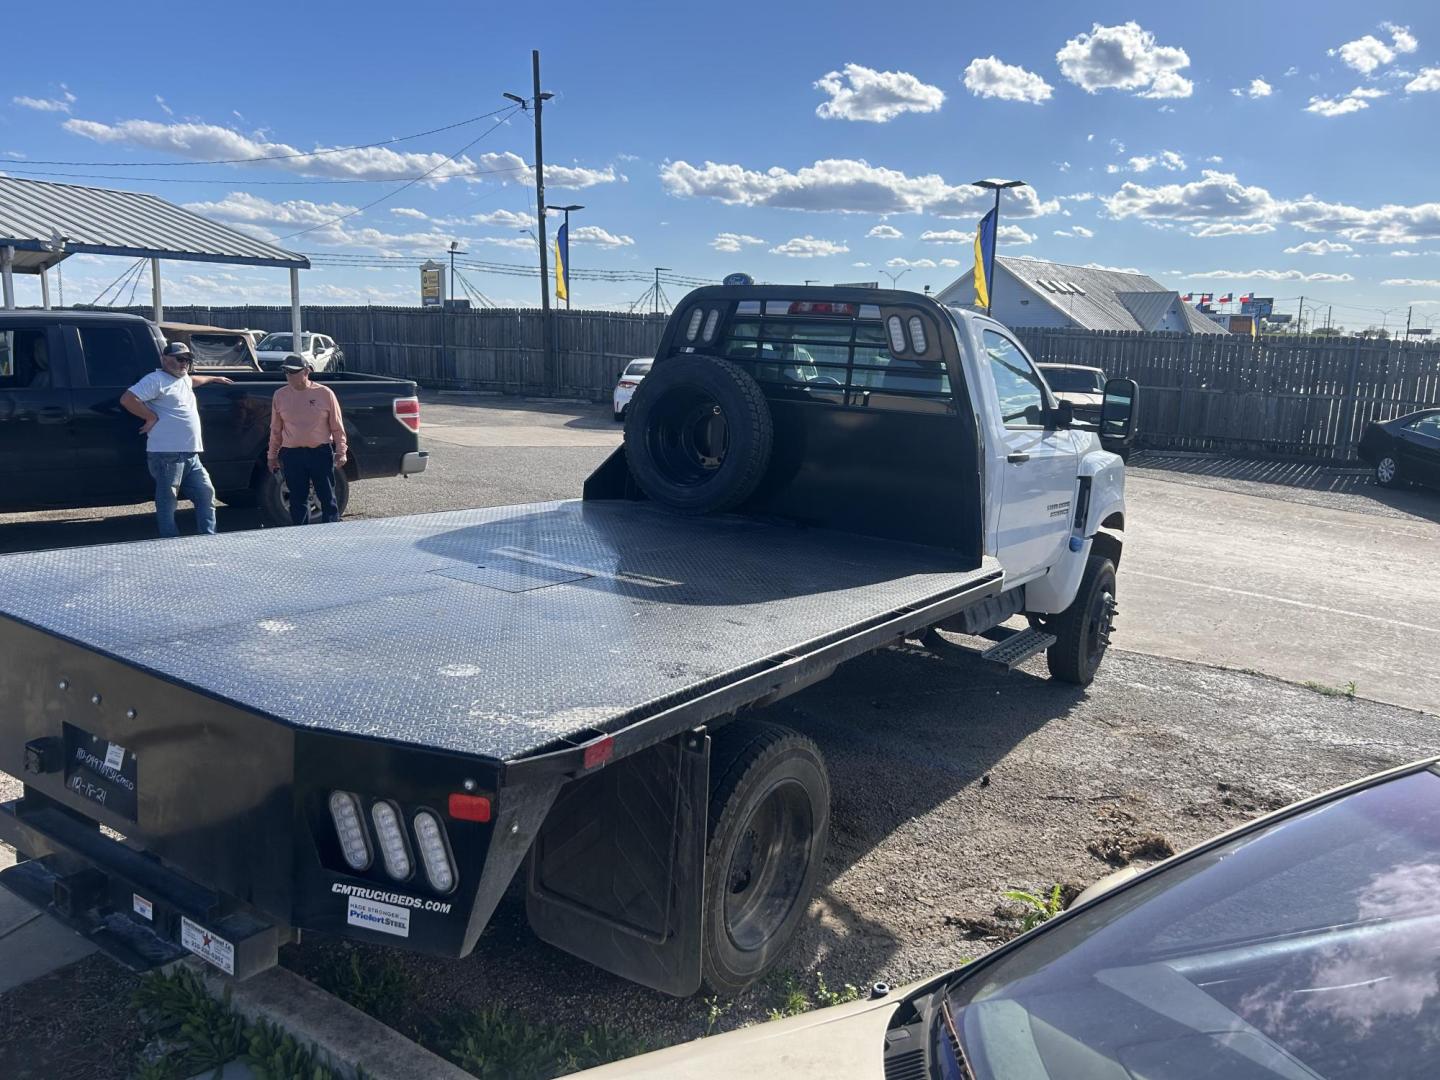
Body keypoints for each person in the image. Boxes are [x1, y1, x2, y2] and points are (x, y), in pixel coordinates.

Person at [120, 342, 233, 538]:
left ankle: (208, 536)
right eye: (179, 359)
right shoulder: (155, 380)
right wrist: (150, 417)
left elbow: (194, 380)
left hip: (191, 454)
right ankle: (169, 539)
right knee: (168, 498)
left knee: (206, 493)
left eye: (187, 360)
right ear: (164, 359)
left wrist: (213, 378)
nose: (184, 363)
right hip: (167, 454)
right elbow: (128, 399)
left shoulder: (184, 379)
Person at [268, 354, 348, 525]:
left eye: (292, 372)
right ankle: (301, 537)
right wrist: (272, 456)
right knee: (297, 500)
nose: (288, 375)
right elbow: (276, 429)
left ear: (306, 372)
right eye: (286, 372)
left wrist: (341, 451)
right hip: (292, 454)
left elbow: (336, 426)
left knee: (327, 497)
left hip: (320, 452)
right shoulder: (280, 395)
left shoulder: (324, 394)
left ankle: (332, 533)